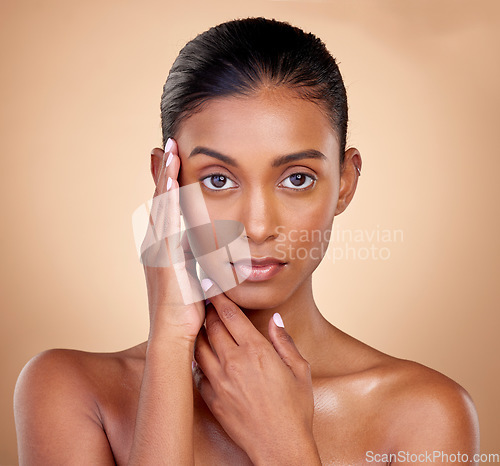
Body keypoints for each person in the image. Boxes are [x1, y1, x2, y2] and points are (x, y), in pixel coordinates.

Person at [14, 17, 479, 465]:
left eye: (297, 178)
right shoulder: (69, 390)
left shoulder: (425, 413)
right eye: (218, 180)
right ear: (166, 186)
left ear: (344, 183)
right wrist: (170, 343)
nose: (257, 227)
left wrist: (284, 446)